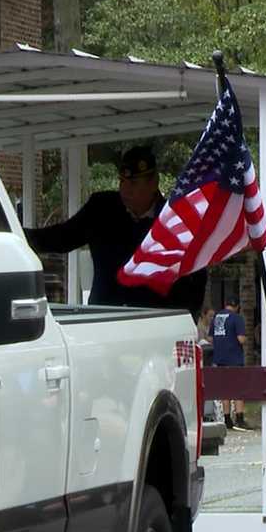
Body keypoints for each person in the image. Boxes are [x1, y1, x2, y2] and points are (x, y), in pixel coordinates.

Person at [24, 146, 207, 317]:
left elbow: (196, 278)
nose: (125, 189)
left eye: (134, 183)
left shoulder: (173, 219)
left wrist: (187, 319)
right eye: (122, 181)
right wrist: (15, 236)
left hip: (154, 322)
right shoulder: (102, 209)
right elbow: (60, 238)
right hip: (106, 319)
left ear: (154, 183)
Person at [211, 296, 251, 430]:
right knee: (238, 389)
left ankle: (227, 419)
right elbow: (241, 339)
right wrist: (245, 338)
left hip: (219, 358)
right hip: (234, 358)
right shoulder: (236, 318)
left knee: (225, 389)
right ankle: (240, 419)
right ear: (237, 306)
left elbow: (211, 338)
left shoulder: (216, 317)